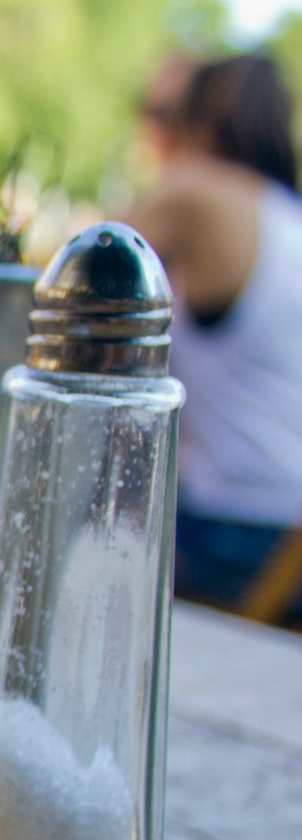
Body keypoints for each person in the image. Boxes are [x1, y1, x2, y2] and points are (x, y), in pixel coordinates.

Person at [126, 53, 302, 610]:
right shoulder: (286, 217)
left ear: (198, 120)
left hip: (230, 530)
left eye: (158, 114)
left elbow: (84, 271)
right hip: (286, 535)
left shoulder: (197, 194)